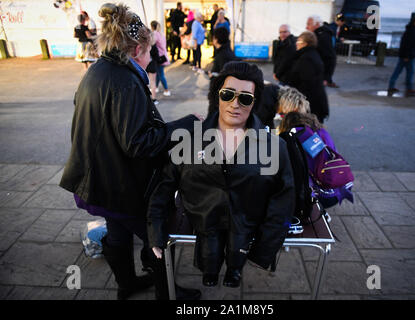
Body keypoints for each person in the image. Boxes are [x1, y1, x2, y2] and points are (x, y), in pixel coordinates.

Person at [59, 3, 202, 300]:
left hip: (98, 180)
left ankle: (127, 285)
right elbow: (138, 142)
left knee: (118, 232)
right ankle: (167, 294)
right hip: (118, 184)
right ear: (137, 49)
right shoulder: (125, 81)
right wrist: (186, 125)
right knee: (158, 236)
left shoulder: (100, 69)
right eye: (150, 51)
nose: (152, 58)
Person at [147, 61, 295, 288]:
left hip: (246, 223)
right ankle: (211, 271)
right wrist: (156, 231)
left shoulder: (273, 147)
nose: (235, 104)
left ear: (254, 103)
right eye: (227, 94)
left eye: (245, 98)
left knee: (238, 252)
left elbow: (283, 199)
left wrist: (264, 249)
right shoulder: (189, 139)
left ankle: (234, 271)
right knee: (209, 253)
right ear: (218, 95)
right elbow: (164, 186)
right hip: (204, 221)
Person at [279, 31, 329, 123]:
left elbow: (305, 83)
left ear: (305, 43)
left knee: (308, 129)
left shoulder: (306, 58)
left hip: (310, 103)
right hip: (314, 101)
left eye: (299, 42)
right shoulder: (310, 54)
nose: (296, 44)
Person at [388, 15, 415, 97]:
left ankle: (392, 86)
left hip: (407, 55)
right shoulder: (412, 31)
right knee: (408, 72)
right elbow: (407, 44)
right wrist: (407, 56)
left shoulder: (412, 30)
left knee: (400, 71)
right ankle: (408, 88)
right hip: (408, 56)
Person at [306, 15, 338, 88]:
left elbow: (329, 57)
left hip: (319, 76)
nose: (306, 27)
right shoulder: (317, 34)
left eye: (309, 24)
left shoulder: (323, 36)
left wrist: (326, 78)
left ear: (317, 24)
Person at [150, 21, 171, 97]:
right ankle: (156, 87)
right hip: (164, 56)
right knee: (159, 73)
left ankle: (166, 90)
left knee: (160, 74)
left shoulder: (155, 33)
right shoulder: (161, 33)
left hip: (159, 57)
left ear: (152, 26)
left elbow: (152, 43)